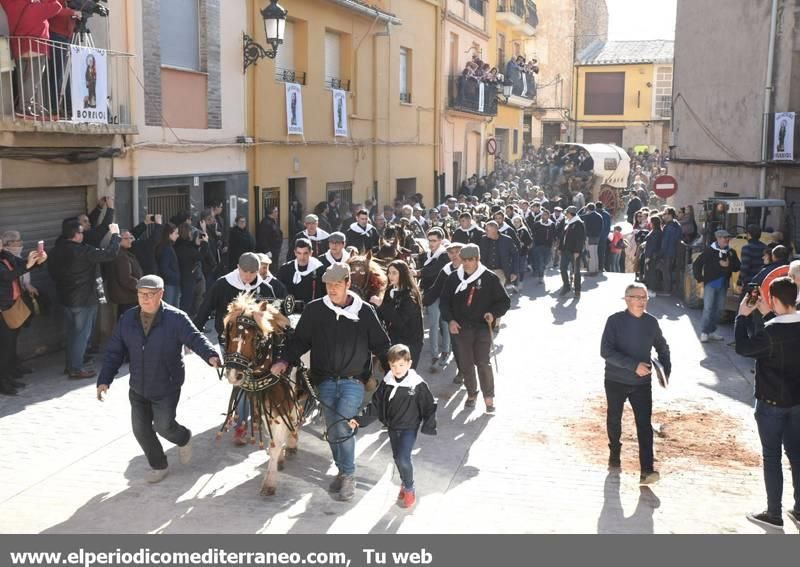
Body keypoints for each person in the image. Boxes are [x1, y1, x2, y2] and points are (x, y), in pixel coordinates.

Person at [270, 263, 391, 502]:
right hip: (324, 381)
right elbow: (300, 341)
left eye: (337, 285)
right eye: (328, 285)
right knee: (333, 430)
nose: (332, 289)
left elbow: (381, 344)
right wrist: (284, 360)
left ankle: (348, 475)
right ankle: (342, 469)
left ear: (348, 283)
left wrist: (396, 372)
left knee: (342, 427)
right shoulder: (316, 310)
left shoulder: (364, 311)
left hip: (353, 382)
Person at [96, 275, 221, 484]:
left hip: (166, 384)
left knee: (164, 426)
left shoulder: (176, 318)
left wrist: (211, 355)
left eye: (149, 294)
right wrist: (104, 380)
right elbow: (114, 352)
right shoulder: (127, 319)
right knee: (140, 430)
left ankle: (183, 437)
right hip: (138, 386)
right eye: (140, 294)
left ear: (161, 294)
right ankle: (159, 465)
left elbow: (195, 337)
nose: (144, 299)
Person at [735, 277, 800, 530]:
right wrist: (766, 316)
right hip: (797, 402)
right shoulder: (777, 326)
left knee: (771, 456)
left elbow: (744, 347)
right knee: (796, 455)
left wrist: (742, 315)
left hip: (771, 403)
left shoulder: (771, 331)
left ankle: (774, 513)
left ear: (772, 299)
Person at [601, 282, 671, 485]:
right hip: (615, 380)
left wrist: (664, 372)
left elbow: (663, 348)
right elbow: (606, 352)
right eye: (637, 297)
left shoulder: (651, 322)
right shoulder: (614, 321)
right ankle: (615, 451)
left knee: (644, 425)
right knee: (614, 419)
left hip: (642, 383)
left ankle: (647, 470)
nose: (641, 301)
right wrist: (633, 366)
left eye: (644, 297)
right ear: (626, 299)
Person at [355, 344, 437, 509]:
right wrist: (359, 419)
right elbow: (376, 404)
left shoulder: (417, 385)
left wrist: (428, 424)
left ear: (409, 363)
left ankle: (409, 488)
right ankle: (404, 481)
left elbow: (429, 405)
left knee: (403, 458)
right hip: (393, 427)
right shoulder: (387, 382)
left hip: (409, 427)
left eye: (401, 365)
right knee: (397, 457)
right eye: (393, 365)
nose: (397, 369)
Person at [439, 244, 511, 413]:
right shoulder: (454, 278)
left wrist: (493, 314)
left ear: (478, 259)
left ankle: (489, 397)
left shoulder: (489, 278)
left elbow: (504, 302)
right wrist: (450, 320)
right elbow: (444, 302)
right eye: (464, 260)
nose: (466, 263)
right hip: (461, 327)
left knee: (483, 362)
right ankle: (472, 393)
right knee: (465, 363)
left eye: (470, 260)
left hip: (482, 327)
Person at [48, 218, 121, 379]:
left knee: (72, 334)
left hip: (65, 298)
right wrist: (115, 236)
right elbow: (110, 254)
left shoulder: (55, 251)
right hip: (83, 300)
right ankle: (76, 368)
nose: (83, 235)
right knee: (81, 335)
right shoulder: (83, 251)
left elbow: (52, 274)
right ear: (75, 235)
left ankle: (71, 365)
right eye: (81, 232)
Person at [194, 252, 278, 343]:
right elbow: (205, 308)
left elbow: (273, 315)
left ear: (258, 270)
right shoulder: (222, 285)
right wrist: (193, 335)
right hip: (227, 337)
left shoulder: (266, 289)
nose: (248, 276)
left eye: (252, 272)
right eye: (245, 271)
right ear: (238, 267)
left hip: (255, 339)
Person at [0, 233, 46, 395]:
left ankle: (8, 376)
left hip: (13, 306)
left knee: (10, 345)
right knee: (4, 348)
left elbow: (23, 265)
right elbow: (6, 276)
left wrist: (37, 261)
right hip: (3, 309)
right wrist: (27, 266)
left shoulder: (6, 255)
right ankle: (3, 383)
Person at [371, 260, 424, 369]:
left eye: (394, 273)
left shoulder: (410, 295)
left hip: (410, 343)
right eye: (389, 273)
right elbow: (383, 315)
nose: (390, 276)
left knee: (405, 375)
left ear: (403, 273)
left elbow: (399, 320)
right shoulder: (390, 290)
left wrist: (381, 304)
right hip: (393, 340)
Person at [692, 229, 741, 343]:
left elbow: (737, 267)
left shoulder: (731, 252)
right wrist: (699, 278)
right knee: (708, 308)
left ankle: (712, 331)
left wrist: (729, 265)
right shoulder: (709, 251)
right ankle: (704, 332)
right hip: (710, 284)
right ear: (718, 239)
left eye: (728, 237)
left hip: (723, 285)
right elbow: (697, 264)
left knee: (719, 309)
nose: (727, 240)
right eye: (724, 238)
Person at [417, 228, 451, 372]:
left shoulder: (444, 255)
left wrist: (418, 272)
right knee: (433, 324)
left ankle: (446, 350)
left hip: (444, 293)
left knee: (444, 323)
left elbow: (434, 270)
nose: (431, 243)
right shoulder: (425, 255)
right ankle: (435, 354)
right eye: (429, 240)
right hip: (431, 294)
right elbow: (425, 277)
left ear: (441, 241)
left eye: (434, 241)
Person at [276, 238, 324, 303]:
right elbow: (278, 290)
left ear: (311, 253)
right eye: (299, 253)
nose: (302, 257)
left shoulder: (319, 269)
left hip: (311, 309)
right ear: (295, 253)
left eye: (305, 253)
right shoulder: (285, 269)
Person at [109, 230, 144, 317]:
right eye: (126, 238)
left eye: (130, 238)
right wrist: (142, 286)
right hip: (127, 298)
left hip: (127, 297)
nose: (129, 240)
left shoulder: (125, 253)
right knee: (127, 324)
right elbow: (126, 279)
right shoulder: (121, 255)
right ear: (118, 240)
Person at [479, 221, 516, 288]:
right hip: (486, 271)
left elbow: (515, 256)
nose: (485, 231)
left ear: (494, 230)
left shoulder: (507, 240)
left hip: (501, 271)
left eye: (487, 230)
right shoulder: (483, 239)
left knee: (497, 291)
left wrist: (514, 272)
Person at [559, 206, 585, 298]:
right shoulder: (568, 222)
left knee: (576, 271)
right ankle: (566, 286)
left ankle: (577, 290)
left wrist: (578, 251)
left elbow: (581, 239)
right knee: (562, 268)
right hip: (565, 250)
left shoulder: (578, 223)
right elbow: (563, 237)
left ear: (570, 213)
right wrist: (560, 248)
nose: (565, 214)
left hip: (574, 251)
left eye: (566, 213)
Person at [154, 223, 180, 307]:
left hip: (172, 282)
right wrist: (175, 276)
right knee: (168, 308)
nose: (178, 235)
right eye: (175, 233)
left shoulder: (168, 247)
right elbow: (164, 268)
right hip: (169, 283)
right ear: (169, 234)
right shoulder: (166, 248)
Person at [658, 207, 682, 295]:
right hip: (674, 251)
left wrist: (661, 253)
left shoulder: (669, 226)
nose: (663, 216)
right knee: (669, 270)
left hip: (668, 252)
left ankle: (667, 290)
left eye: (665, 214)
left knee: (666, 271)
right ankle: (670, 289)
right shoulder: (677, 224)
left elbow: (665, 241)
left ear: (670, 215)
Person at [739, 225, 767, 290]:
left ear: (749, 235)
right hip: (762, 280)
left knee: (745, 299)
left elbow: (744, 267)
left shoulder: (747, 248)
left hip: (749, 281)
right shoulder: (765, 247)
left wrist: (739, 282)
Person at [531, 209, 555, 284]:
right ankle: (541, 277)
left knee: (546, 261)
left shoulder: (552, 224)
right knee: (540, 262)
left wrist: (554, 245)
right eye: (543, 215)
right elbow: (532, 234)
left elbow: (554, 235)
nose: (543, 216)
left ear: (548, 216)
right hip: (538, 246)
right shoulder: (537, 224)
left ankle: (543, 269)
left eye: (545, 215)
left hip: (548, 246)